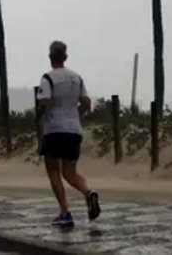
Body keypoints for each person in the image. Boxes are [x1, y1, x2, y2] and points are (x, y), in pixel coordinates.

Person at [36, 40, 100, 227]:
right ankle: (88, 192)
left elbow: (45, 102)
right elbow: (87, 104)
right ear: (65, 57)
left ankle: (65, 212)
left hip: (54, 129)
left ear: (50, 57)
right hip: (73, 129)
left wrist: (41, 121)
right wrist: (75, 115)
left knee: (53, 170)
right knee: (70, 172)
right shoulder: (76, 78)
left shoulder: (48, 78)